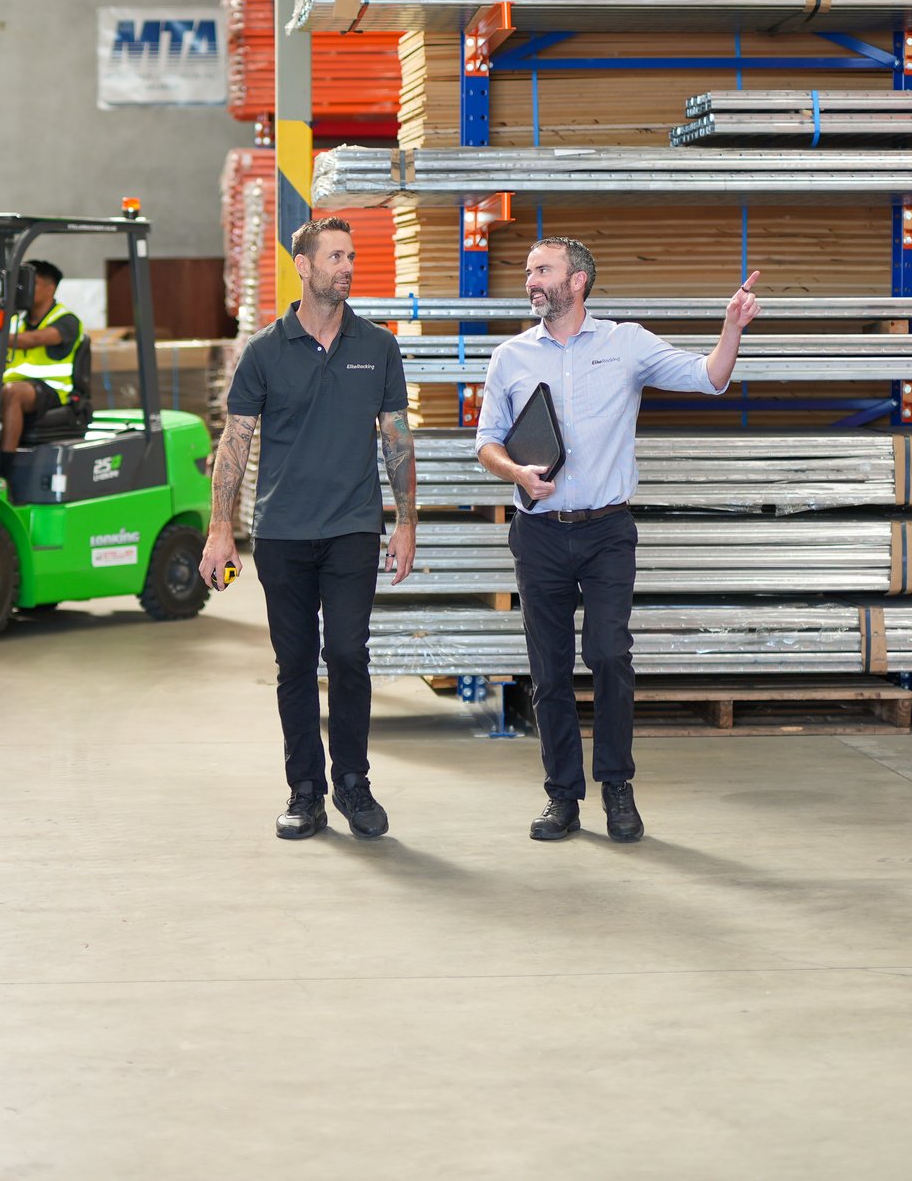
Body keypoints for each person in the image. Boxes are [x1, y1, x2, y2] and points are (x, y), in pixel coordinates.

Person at [475, 238, 760, 844]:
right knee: (549, 671)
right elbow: (486, 442)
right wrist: (516, 474)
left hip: (607, 530)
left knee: (608, 655)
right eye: (528, 271)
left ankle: (617, 789)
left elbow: (709, 379)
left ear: (576, 282)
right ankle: (561, 797)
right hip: (538, 534)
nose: (530, 280)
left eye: (542, 270)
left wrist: (730, 329)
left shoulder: (626, 343)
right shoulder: (510, 357)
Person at [200, 216, 417, 842]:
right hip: (282, 535)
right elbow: (235, 444)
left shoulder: (378, 346)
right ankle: (305, 791)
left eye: (352, 257)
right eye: (335, 257)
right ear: (303, 265)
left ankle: (353, 783)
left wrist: (405, 522)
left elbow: (397, 438)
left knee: (348, 654)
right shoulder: (265, 352)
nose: (347, 267)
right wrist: (221, 531)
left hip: (352, 527)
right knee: (294, 663)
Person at [0, 259, 88, 454]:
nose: (24, 289)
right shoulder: (16, 321)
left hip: (52, 389)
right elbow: (8, 357)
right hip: (14, 383)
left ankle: (7, 462)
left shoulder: (66, 320)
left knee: (12, 393)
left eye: (33, 283)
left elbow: (33, 339)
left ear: (50, 289)